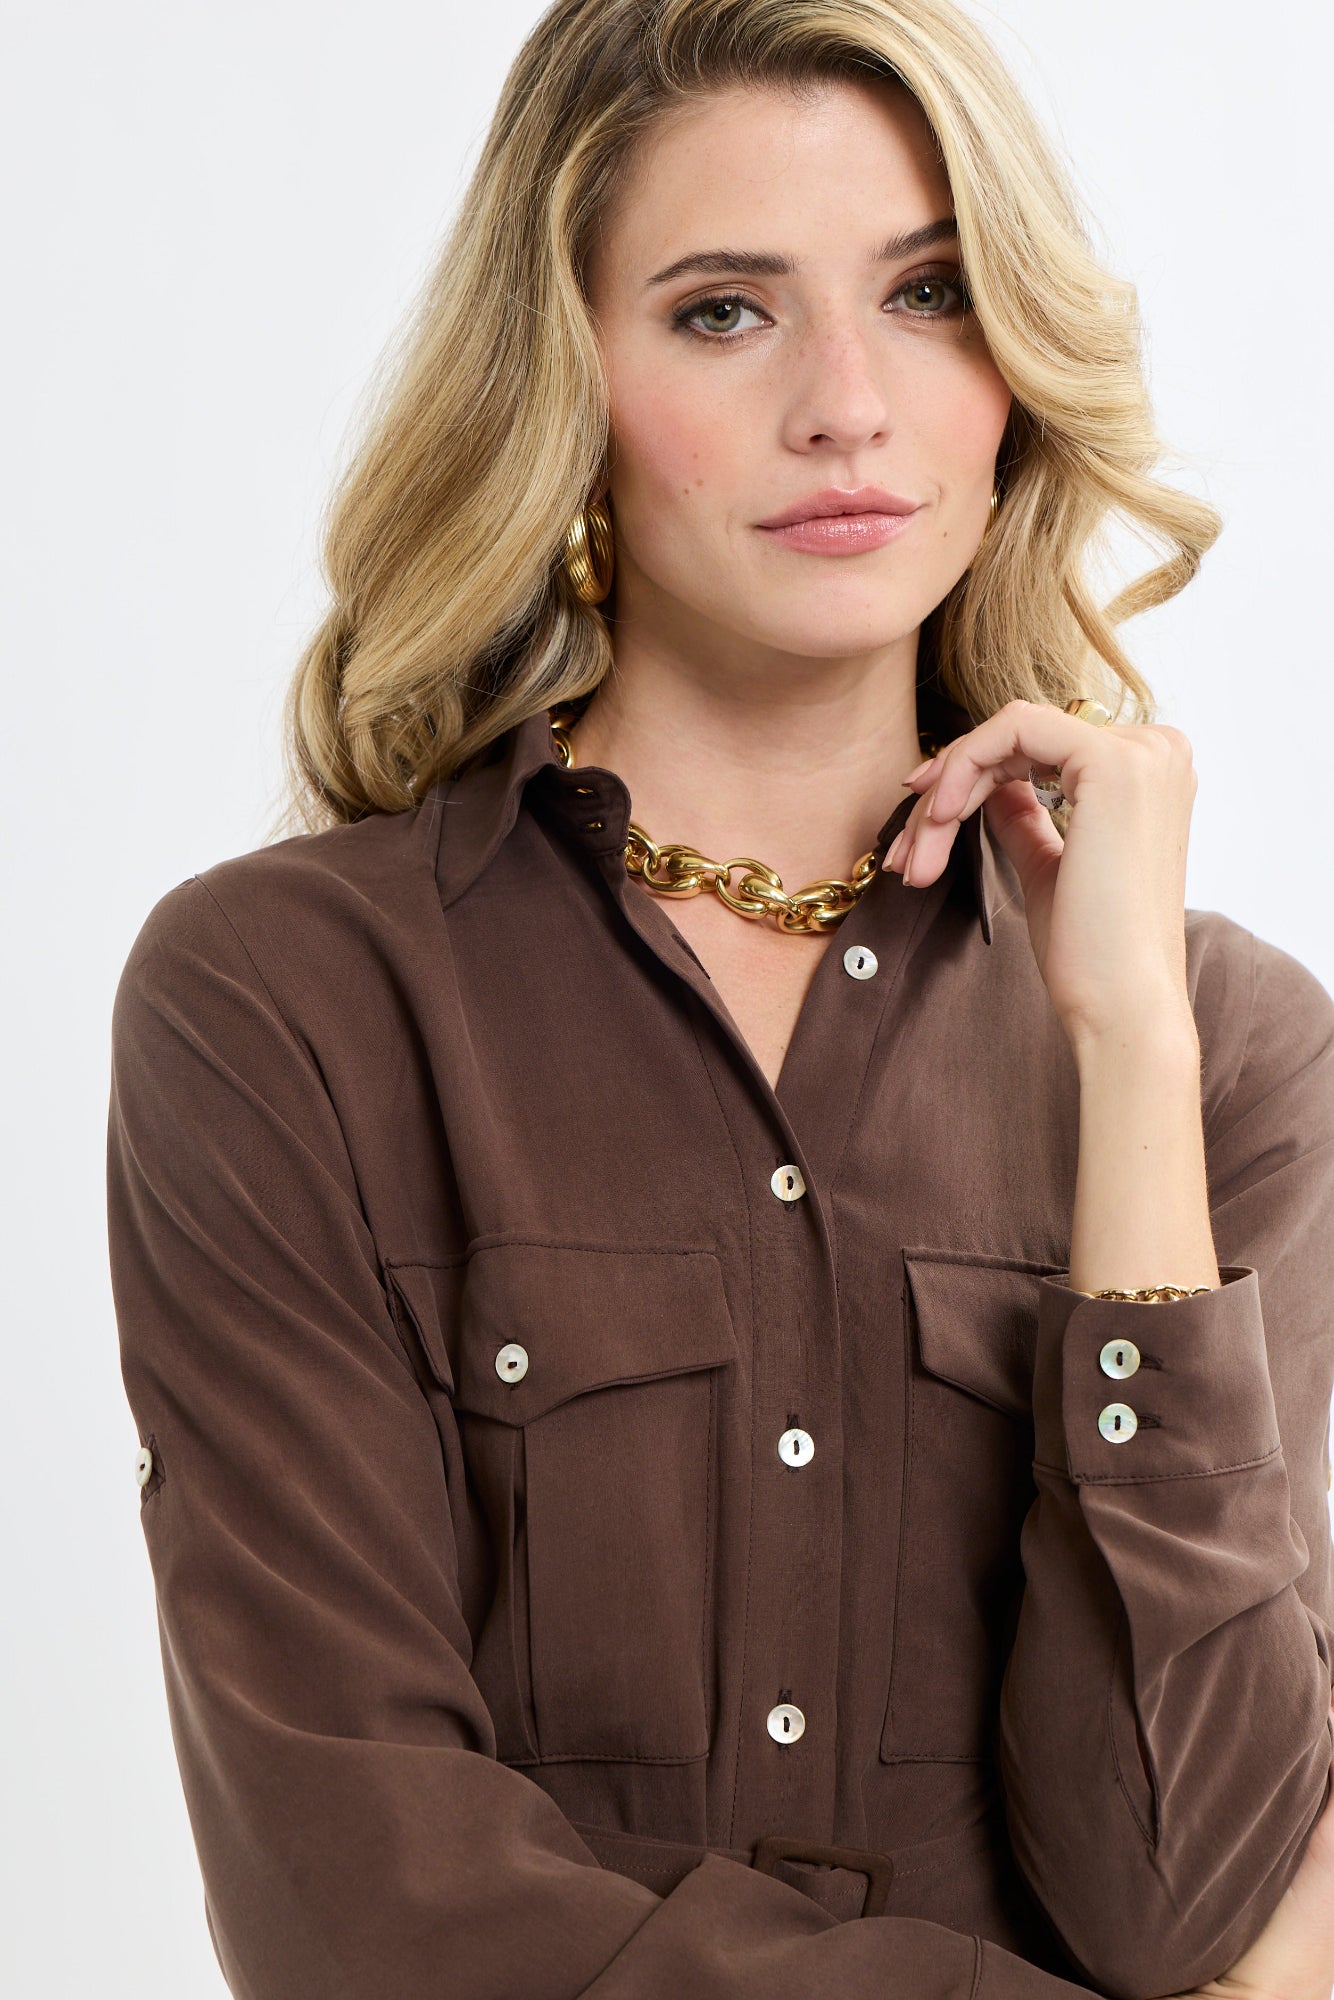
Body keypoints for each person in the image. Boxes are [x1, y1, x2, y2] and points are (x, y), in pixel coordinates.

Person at [105, 1, 1334, 1996]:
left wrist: (1127, 1055)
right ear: (562, 384)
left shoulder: (1224, 1051)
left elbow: (1173, 1885)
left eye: (929, 293)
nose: (850, 404)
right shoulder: (287, 1005)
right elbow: (360, 1895)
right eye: (721, 313)